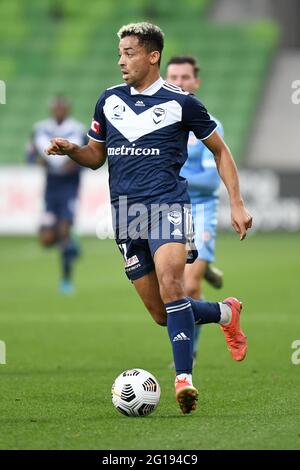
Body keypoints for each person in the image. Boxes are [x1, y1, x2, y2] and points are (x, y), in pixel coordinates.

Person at [45, 22, 252, 414]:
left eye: (129, 53)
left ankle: (183, 380)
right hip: (126, 215)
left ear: (152, 56)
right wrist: (73, 149)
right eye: (120, 54)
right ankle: (226, 311)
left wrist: (237, 203)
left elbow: (221, 151)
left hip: (168, 206)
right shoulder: (108, 100)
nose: (121, 60)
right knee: (162, 313)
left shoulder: (182, 103)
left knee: (172, 285)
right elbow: (95, 157)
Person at [166, 56, 224, 364]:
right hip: (167, 210)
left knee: (189, 285)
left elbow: (211, 178)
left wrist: (171, 180)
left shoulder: (208, 123)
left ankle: (190, 351)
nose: (178, 82)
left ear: (195, 83)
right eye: (173, 76)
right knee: (168, 287)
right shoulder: (157, 120)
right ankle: (207, 264)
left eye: (185, 77)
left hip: (199, 209)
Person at [27, 96, 86, 294]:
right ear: (52, 110)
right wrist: (38, 161)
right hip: (51, 189)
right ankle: (72, 245)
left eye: (62, 108)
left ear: (68, 109)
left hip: (69, 188)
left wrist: (74, 164)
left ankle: (66, 281)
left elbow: (87, 157)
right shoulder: (41, 128)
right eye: (56, 108)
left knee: (63, 232)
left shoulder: (77, 129)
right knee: (46, 239)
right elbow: (30, 155)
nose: (59, 111)